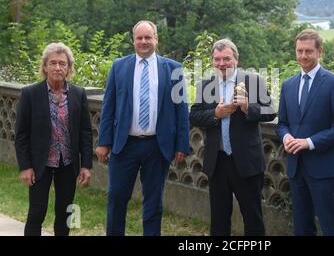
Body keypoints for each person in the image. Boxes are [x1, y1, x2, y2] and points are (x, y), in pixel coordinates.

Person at [95, 20, 190, 236]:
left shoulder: (173, 69)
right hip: (124, 145)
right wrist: (104, 142)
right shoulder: (119, 66)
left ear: (156, 39)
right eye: (139, 38)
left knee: (153, 203)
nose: (144, 41)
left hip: (158, 146)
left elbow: (181, 110)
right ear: (133, 41)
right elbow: (108, 107)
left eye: (148, 37)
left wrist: (182, 144)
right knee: (117, 197)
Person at [190, 38, 275, 236]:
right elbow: (193, 115)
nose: (222, 64)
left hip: (246, 161)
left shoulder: (253, 82)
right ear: (212, 61)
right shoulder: (205, 85)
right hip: (217, 161)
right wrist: (215, 114)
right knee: (218, 219)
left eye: (226, 59)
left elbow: (270, 111)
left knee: (253, 218)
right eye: (217, 59)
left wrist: (247, 108)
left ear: (236, 59)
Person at [276, 29, 334, 236]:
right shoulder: (288, 84)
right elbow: (282, 123)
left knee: (331, 227)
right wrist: (286, 136)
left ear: (320, 51)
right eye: (299, 51)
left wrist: (309, 142)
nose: (303, 56)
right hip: (296, 167)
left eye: (308, 51)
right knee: (301, 227)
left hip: (324, 169)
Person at [15, 43, 92, 236]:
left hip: (67, 163)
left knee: (65, 212)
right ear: (45, 67)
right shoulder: (30, 94)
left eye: (62, 64)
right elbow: (22, 134)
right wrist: (25, 166)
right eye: (53, 63)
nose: (58, 67)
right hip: (40, 163)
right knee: (36, 212)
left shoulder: (78, 94)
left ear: (68, 68)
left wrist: (86, 166)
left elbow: (85, 132)